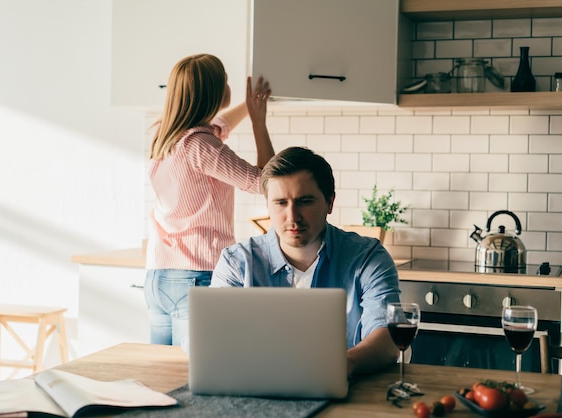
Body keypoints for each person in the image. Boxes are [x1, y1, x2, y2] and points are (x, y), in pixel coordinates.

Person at [211, 146, 401, 377]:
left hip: (345, 389)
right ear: (268, 205)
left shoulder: (367, 257)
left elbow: (387, 336)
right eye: (281, 203)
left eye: (305, 201)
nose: (292, 217)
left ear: (329, 203)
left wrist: (343, 366)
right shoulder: (237, 263)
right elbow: (206, 336)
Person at [145, 53, 275, 347]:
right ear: (215, 92)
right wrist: (258, 122)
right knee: (197, 375)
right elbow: (264, 182)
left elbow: (218, 124)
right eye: (225, 80)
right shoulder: (202, 146)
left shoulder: (165, 137)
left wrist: (251, 104)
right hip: (197, 275)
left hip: (158, 277)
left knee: (162, 375)